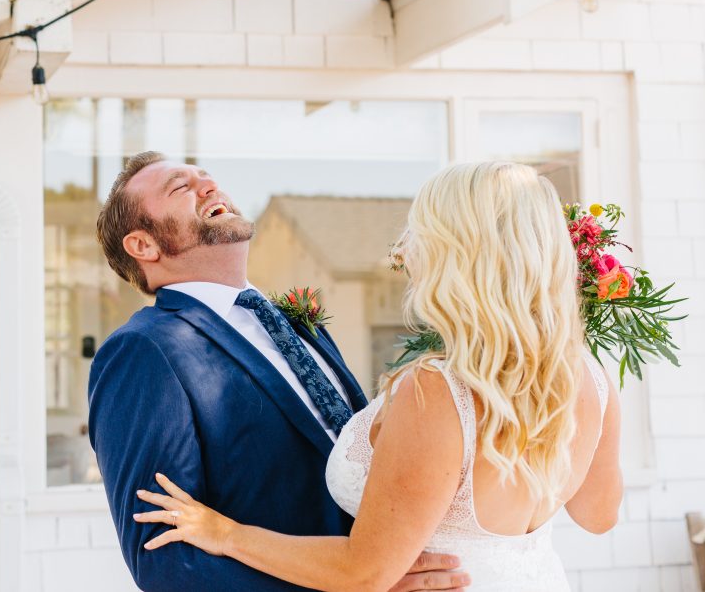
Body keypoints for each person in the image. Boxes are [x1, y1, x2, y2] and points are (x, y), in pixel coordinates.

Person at [132, 161, 624, 591]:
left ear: (453, 251)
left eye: (419, 229)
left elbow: (364, 573)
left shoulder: (438, 391)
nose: (407, 247)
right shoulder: (589, 379)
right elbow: (598, 515)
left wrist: (223, 533)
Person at [88, 151, 468, 592]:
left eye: (206, 178)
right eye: (180, 187)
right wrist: (354, 583)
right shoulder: (144, 350)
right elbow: (165, 563)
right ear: (143, 246)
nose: (209, 187)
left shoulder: (293, 324)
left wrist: (378, 562)